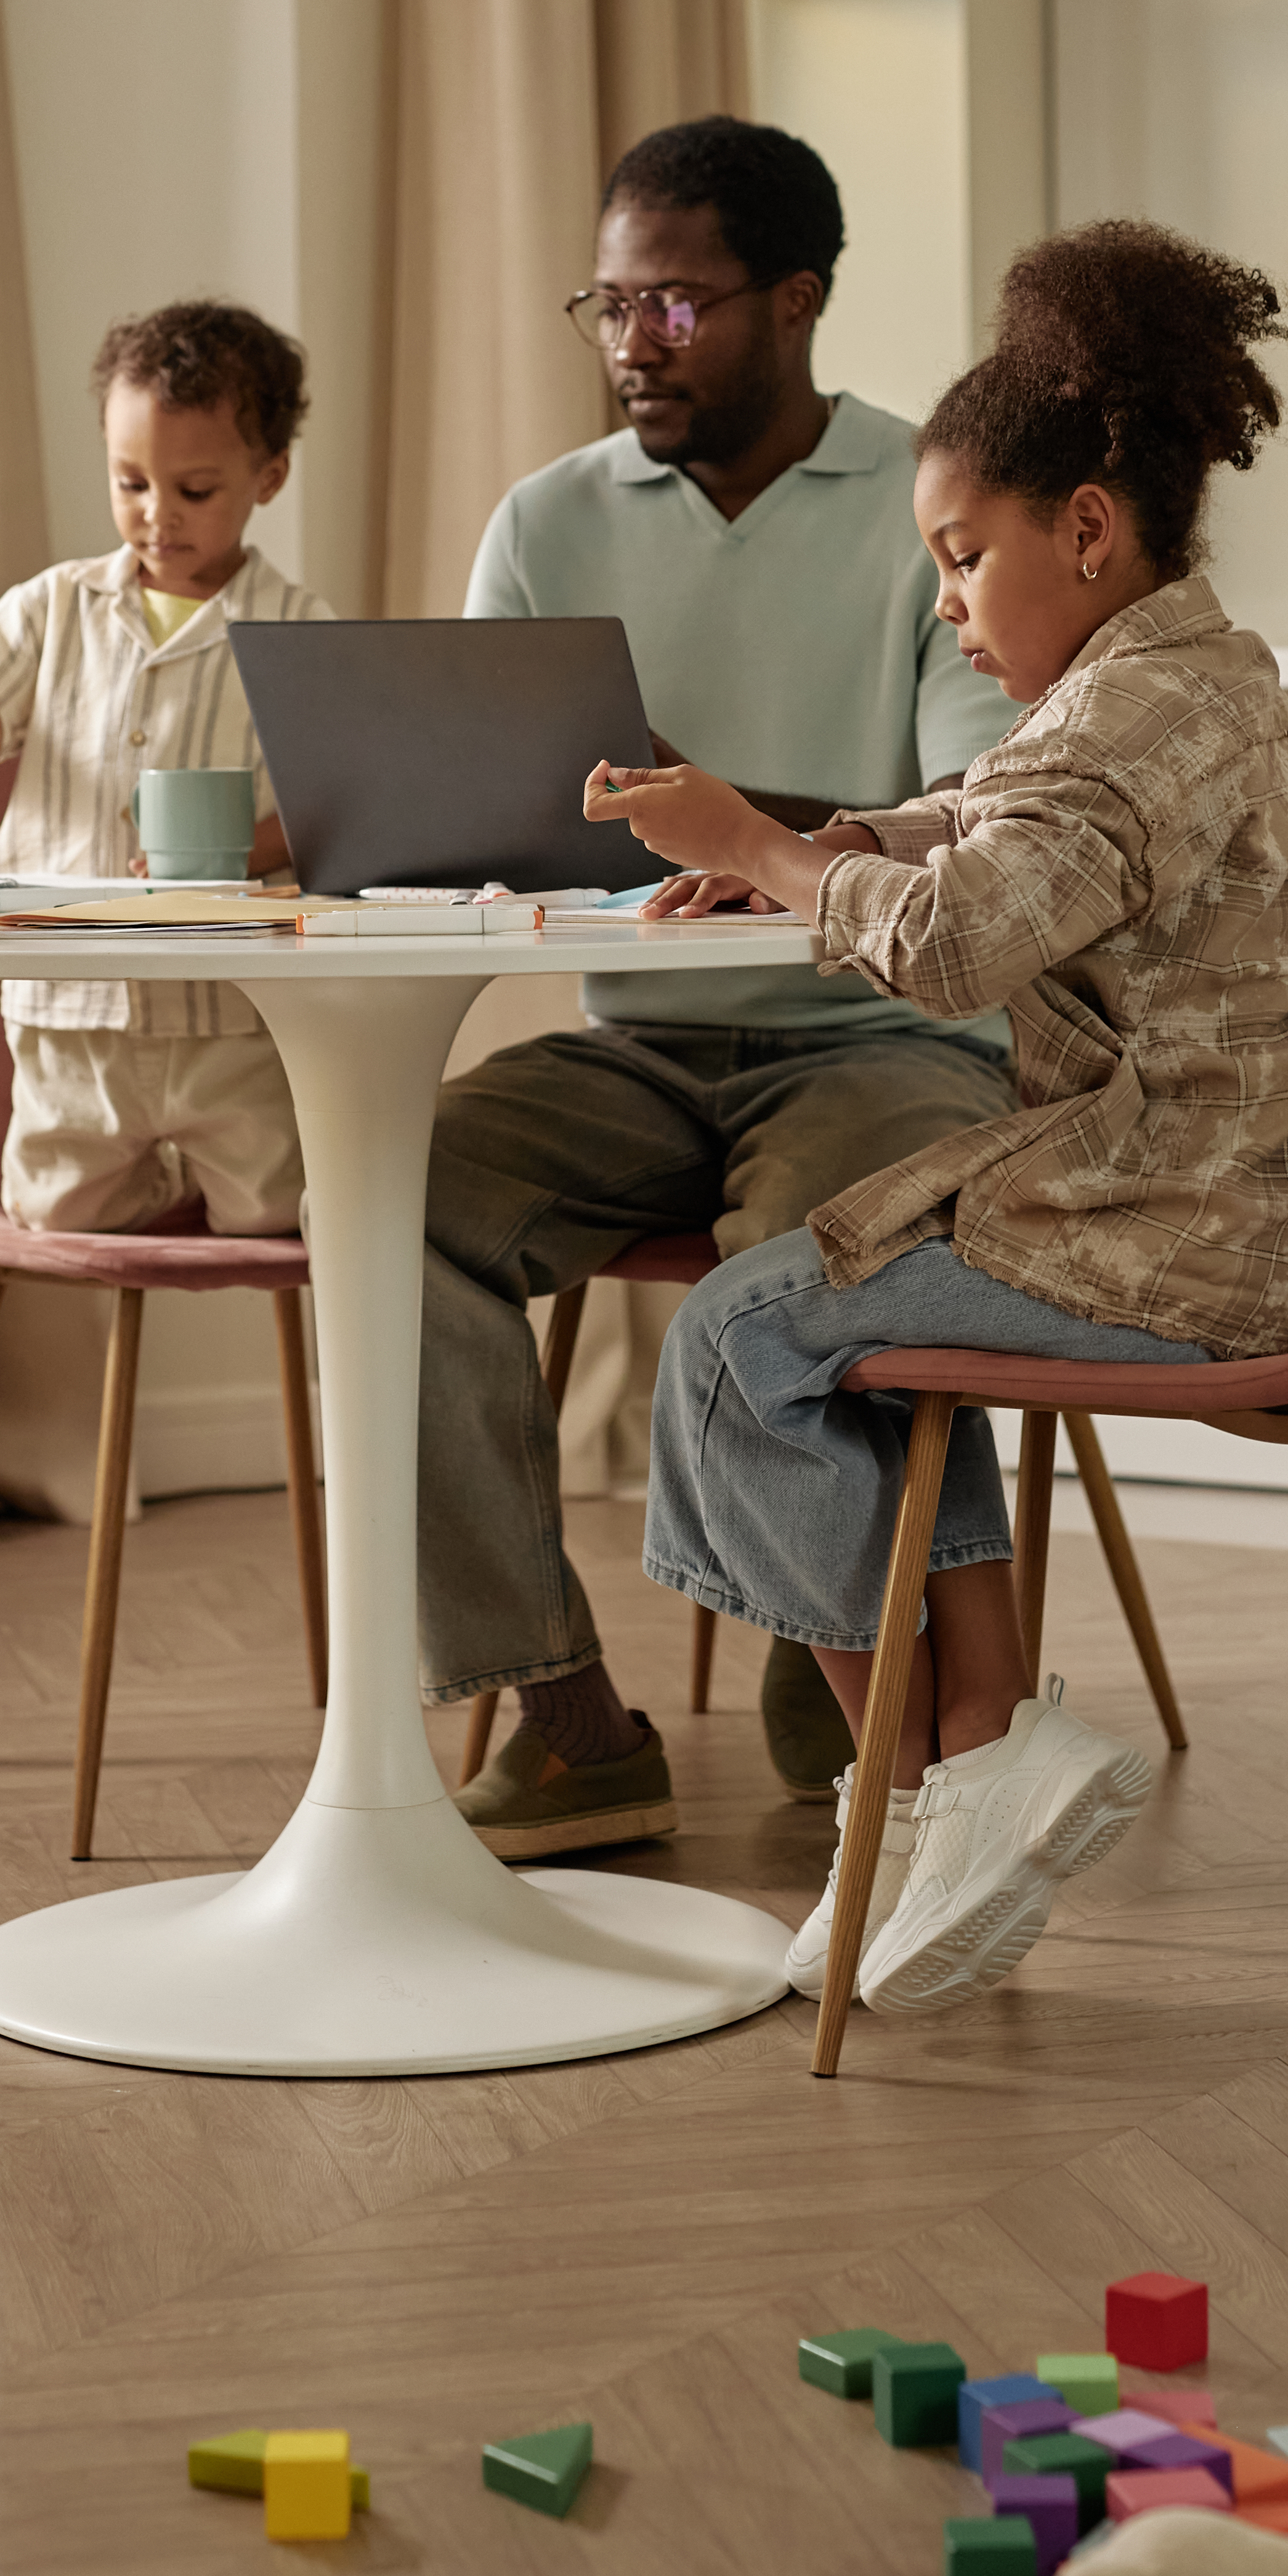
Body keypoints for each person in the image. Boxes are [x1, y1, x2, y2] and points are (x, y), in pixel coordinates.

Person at [589, 219, 1288, 2016]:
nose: (947, 604)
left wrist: (771, 853)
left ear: (1084, 531)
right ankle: (964, 1768)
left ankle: (957, 1767)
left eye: (962, 560)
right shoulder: (1195, 676)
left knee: (735, 1343)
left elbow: (966, 947)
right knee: (838, 1331)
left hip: (1184, 1236)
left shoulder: (1120, 729)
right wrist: (849, 846)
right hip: (1253, 1208)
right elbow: (993, 812)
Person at [431, 117, 1017, 1856]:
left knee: (804, 1258)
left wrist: (720, 809)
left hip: (886, 1040)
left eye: (676, 305)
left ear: (797, 300)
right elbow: (491, 810)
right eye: (609, 304)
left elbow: (971, 831)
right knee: (386, 1206)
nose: (632, 342)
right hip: (640, 1047)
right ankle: (556, 1709)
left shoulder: (935, 510)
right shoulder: (542, 525)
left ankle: (820, 1638)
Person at [0, 298, 331, 1235]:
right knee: (59, 1213)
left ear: (268, 476)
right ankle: (153, 1180)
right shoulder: (52, 609)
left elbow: (347, 800)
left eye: (194, 492)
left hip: (230, 1010)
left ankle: (202, 1178)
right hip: (71, 1000)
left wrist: (246, 851)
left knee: (274, 1213)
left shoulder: (302, 634)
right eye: (130, 484)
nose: (157, 517)